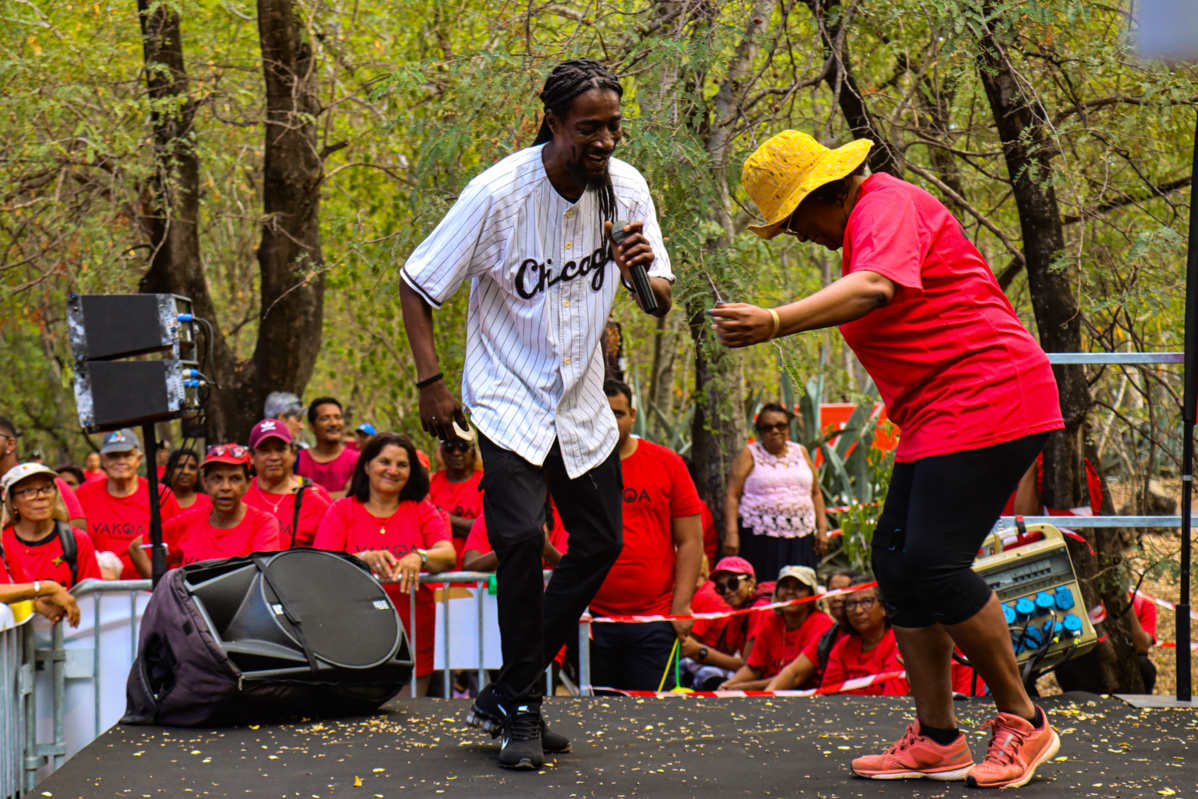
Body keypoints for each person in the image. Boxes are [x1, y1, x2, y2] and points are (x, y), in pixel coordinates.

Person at [711, 130, 1064, 788]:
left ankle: (1024, 718)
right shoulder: (863, 226)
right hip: (938, 413)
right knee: (896, 564)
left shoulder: (884, 205)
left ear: (824, 194)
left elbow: (875, 287)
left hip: (992, 391)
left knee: (933, 559)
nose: (794, 235)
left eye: (793, 221)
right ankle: (937, 737)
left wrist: (775, 319)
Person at [399, 58, 672, 769]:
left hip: (580, 399)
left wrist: (640, 269)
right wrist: (431, 380)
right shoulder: (498, 194)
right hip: (506, 393)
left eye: (614, 125)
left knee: (602, 542)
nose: (605, 140)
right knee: (519, 538)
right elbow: (417, 283)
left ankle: (504, 689)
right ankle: (523, 708)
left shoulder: (627, 188)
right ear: (553, 122)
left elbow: (657, 298)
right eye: (589, 128)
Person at [313, 433, 456, 697]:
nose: (393, 470)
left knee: (408, 720)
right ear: (366, 466)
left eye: (402, 465)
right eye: (385, 462)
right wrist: (361, 559)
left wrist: (419, 556)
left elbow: (447, 554)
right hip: (351, 639)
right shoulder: (341, 510)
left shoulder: (422, 510)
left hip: (413, 638)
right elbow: (321, 562)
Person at [585, 380, 702, 690]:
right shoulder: (575, 468)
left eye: (618, 413)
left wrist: (681, 606)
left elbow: (691, 540)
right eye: (601, 414)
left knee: (651, 720)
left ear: (633, 415)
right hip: (590, 618)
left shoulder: (667, 463)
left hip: (655, 620)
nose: (610, 422)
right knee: (592, 718)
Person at [130, 445, 281, 573]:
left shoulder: (262, 524)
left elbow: (263, 574)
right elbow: (138, 549)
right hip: (190, 607)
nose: (225, 487)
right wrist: (166, 593)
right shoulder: (188, 522)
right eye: (217, 478)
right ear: (205, 482)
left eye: (235, 478)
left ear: (248, 483)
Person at [724, 403, 827, 577]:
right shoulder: (749, 454)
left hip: (801, 537)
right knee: (766, 590)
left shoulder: (800, 452)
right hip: (761, 538)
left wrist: (822, 530)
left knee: (800, 590)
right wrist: (731, 533)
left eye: (781, 425)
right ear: (760, 431)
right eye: (767, 427)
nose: (775, 431)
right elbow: (732, 495)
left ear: (788, 428)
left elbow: (815, 492)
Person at [76, 429, 181, 579]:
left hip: (150, 589)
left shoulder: (160, 494)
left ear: (139, 459)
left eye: (127, 455)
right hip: (100, 591)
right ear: (103, 460)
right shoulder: (84, 493)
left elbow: (179, 545)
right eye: (113, 456)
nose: (121, 461)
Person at [719, 565, 834, 690]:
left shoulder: (822, 624)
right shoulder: (771, 619)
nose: (790, 592)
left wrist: (742, 688)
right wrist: (727, 686)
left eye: (799, 588)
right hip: (768, 693)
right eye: (785, 586)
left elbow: (796, 677)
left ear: (812, 597)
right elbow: (754, 668)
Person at [677, 556, 772, 689]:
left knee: (706, 675)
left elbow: (749, 666)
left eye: (733, 583)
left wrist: (703, 652)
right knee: (685, 665)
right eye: (720, 588)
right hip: (746, 672)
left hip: (765, 676)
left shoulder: (759, 608)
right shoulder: (738, 610)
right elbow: (728, 653)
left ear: (751, 582)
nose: (727, 591)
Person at [2, 463, 102, 588]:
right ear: (13, 502)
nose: (41, 496)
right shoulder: (3, 543)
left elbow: (92, 595)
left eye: (46, 488)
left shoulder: (77, 540)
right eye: (28, 491)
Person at [766, 567, 861, 691]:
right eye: (832, 591)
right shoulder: (830, 636)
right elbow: (794, 674)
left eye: (845, 591)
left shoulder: (822, 624)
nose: (837, 597)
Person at [245, 419, 332, 548]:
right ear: (251, 457)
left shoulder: (315, 502)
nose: (273, 457)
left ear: (293, 454)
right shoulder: (239, 495)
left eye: (280, 449)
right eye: (265, 450)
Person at [820, 577, 909, 697]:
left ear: (884, 608)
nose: (858, 611)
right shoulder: (844, 645)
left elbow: (892, 701)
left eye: (867, 601)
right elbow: (827, 695)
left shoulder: (897, 644)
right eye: (851, 604)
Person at [1, 416, 87, 531]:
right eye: (28, 491)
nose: (40, 495)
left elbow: (78, 535)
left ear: (10, 444)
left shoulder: (49, 484)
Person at [1, 530, 81, 627]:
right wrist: (47, 588)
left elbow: (5, 595)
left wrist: (34, 604)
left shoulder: (3, 547)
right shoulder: (6, 539)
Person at [462, 502, 568, 573]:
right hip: (497, 603)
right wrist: (512, 546)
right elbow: (469, 569)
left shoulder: (564, 521)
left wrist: (547, 549)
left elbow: (573, 571)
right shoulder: (488, 519)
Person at [428, 435, 484, 568]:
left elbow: (488, 529)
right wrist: (467, 526)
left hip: (477, 579)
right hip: (437, 576)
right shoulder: (430, 483)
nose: (456, 453)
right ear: (441, 452)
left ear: (473, 452)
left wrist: (443, 518)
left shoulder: (486, 483)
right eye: (449, 447)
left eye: (463, 447)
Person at [296, 397, 358, 498]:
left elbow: (354, 497)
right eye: (325, 419)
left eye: (338, 417)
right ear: (312, 427)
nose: (334, 423)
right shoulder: (296, 460)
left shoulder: (357, 461)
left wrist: (309, 496)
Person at [164, 448, 209, 513]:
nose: (186, 472)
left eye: (192, 467)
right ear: (168, 471)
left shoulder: (209, 503)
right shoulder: (159, 503)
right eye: (180, 466)